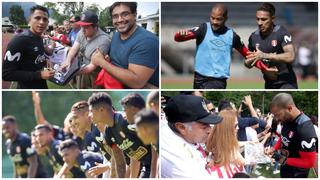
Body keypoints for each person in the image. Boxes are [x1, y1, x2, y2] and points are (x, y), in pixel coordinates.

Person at [174, 4, 268, 89]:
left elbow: (248, 55)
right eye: (212, 18)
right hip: (198, 78)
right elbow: (178, 38)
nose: (214, 22)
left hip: (216, 81)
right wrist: (179, 35)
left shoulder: (232, 36)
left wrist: (265, 68)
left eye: (218, 19)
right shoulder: (203, 28)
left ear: (225, 18)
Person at [91, 2, 159, 88]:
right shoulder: (116, 35)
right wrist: (107, 60)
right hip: (113, 85)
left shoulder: (147, 41)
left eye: (125, 14)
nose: (120, 20)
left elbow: (137, 82)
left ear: (134, 15)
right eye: (115, 16)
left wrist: (102, 62)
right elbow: (118, 61)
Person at [88, 92, 153, 178]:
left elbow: (155, 140)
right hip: (146, 166)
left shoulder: (126, 120)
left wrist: (155, 170)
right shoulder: (108, 134)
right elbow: (120, 163)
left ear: (101, 110)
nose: (89, 115)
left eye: (91, 111)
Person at [161, 95, 223, 178]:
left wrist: (206, 159)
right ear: (181, 127)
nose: (209, 130)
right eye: (204, 126)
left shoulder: (183, 134)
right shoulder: (177, 159)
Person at [245, 3, 298, 89]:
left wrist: (265, 55)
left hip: (287, 81)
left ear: (272, 18)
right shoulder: (253, 37)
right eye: (257, 19)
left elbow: (291, 56)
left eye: (263, 19)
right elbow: (248, 62)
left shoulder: (281, 32)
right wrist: (263, 69)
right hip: (269, 83)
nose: (259, 23)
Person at [3, 5, 55, 89]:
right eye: (37, 18)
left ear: (47, 23)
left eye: (45, 19)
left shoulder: (39, 37)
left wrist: (45, 61)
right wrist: (39, 75)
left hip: (42, 86)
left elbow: (33, 58)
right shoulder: (19, 40)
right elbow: (6, 74)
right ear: (29, 20)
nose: (41, 22)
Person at [266, 93, 317, 177]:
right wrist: (273, 148)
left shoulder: (304, 128)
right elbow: (283, 138)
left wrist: (283, 159)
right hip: (286, 169)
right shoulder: (286, 119)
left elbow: (309, 162)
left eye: (278, 114)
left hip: (297, 174)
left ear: (289, 108)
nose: (277, 119)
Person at [60, 10, 111, 89]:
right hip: (82, 67)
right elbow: (74, 48)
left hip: (94, 75)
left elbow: (92, 66)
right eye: (82, 26)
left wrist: (71, 73)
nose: (82, 29)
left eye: (86, 27)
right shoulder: (82, 31)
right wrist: (67, 61)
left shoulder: (103, 41)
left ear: (95, 26)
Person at [206, 109, 246, 178]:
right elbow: (243, 162)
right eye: (235, 126)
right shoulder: (228, 147)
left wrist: (249, 142)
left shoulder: (217, 138)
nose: (238, 128)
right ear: (227, 128)